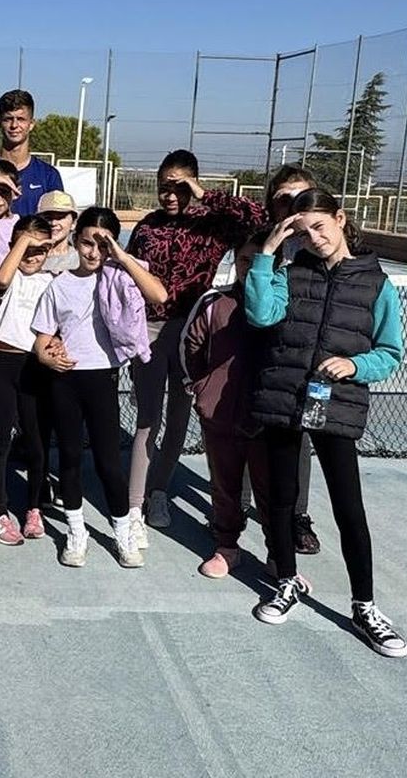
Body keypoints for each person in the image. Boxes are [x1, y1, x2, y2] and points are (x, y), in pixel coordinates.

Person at [245, 188, 407, 659]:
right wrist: (269, 254)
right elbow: (261, 314)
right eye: (303, 231)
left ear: (340, 218)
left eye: (320, 226)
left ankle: (365, 605)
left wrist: (355, 367)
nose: (314, 238)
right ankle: (286, 581)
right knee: (280, 499)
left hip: (334, 405)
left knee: (347, 508)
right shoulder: (288, 273)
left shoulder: (377, 285)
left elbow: (389, 353)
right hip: (284, 400)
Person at [125, 149, 264, 543]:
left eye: (178, 186)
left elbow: (257, 218)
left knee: (179, 423)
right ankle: (133, 508)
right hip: (149, 333)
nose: (170, 194)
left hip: (192, 336)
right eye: (163, 186)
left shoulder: (214, 225)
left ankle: (158, 493)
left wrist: (202, 194)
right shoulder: (147, 227)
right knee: (146, 421)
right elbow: (128, 279)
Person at [30, 207, 166, 569]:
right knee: (71, 459)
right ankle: (76, 532)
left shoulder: (120, 277)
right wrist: (47, 358)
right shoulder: (58, 285)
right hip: (66, 380)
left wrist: (120, 255)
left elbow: (160, 296)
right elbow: (42, 337)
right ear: (75, 240)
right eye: (88, 242)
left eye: (103, 245)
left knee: (109, 463)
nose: (93, 252)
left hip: (102, 379)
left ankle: (122, 531)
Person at [180, 229, 269, 579]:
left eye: (261, 261)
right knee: (225, 483)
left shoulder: (284, 305)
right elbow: (190, 346)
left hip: (269, 415)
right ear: (236, 260)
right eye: (245, 259)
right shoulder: (213, 302)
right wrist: (202, 386)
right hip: (221, 412)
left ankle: (279, 558)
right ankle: (227, 546)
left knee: (272, 488)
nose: (250, 267)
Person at [0, 216, 58, 544]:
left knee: (36, 440)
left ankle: (33, 507)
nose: (33, 256)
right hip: (2, 363)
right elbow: (1, 279)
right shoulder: (9, 275)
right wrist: (24, 242)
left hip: (34, 367)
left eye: (40, 250)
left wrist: (44, 247)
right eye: (26, 248)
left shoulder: (52, 281)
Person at [264, 164, 325, 557]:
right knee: (256, 434)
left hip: (312, 364)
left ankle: (297, 517)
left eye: (301, 198)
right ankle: (235, 510)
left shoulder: (325, 248)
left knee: (302, 438)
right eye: (284, 199)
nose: (292, 206)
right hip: (266, 357)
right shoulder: (262, 245)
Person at [0, 89, 65, 217]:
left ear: (31, 124)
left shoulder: (49, 175)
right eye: (8, 119)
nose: (14, 125)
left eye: (21, 119)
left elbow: (57, 222)